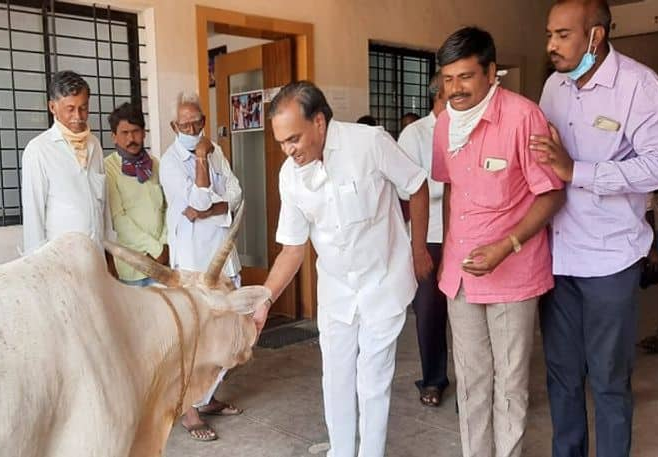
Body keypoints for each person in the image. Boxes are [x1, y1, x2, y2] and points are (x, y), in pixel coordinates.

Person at [255, 80, 432, 457]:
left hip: (383, 282)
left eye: (294, 139)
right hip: (336, 290)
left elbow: (416, 185)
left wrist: (418, 249)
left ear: (319, 122)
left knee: (372, 381)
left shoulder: (368, 143)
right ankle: (341, 450)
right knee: (335, 378)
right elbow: (292, 248)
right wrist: (266, 298)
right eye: (281, 142)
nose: (288, 151)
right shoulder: (290, 175)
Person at [532, 1, 658, 455]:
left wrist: (579, 171)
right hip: (559, 257)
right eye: (550, 33)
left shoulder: (639, 87)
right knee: (562, 377)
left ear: (596, 36)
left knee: (609, 380)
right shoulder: (553, 87)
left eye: (563, 35)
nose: (551, 45)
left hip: (611, 258)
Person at [432, 27, 565, 457]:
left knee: (509, 382)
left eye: (466, 77)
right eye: (448, 79)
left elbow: (551, 194)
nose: (455, 89)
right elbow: (450, 187)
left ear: (492, 72)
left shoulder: (524, 117)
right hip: (462, 276)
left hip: (513, 274)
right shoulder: (444, 124)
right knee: (471, 381)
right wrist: (450, 251)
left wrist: (505, 246)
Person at [159, 92, 244, 442]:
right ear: (173, 126)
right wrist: (200, 162)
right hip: (194, 262)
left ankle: (205, 397)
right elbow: (194, 201)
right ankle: (188, 409)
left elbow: (236, 194)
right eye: (185, 124)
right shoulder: (168, 162)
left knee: (230, 332)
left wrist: (211, 208)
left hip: (224, 255)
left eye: (197, 122)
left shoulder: (216, 150)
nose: (192, 129)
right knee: (196, 336)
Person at [21, 70, 115, 271]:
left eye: (83, 108)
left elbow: (103, 206)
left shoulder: (94, 145)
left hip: (96, 258)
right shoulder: (38, 150)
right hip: (61, 265)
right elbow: (33, 216)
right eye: (70, 109)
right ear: (52, 107)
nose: (78, 117)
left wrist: (109, 255)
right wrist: (38, 269)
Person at [396, 72, 449, 407]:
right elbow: (406, 188)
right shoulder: (415, 134)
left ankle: (478, 383)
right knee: (429, 311)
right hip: (429, 234)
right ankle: (433, 378)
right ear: (437, 95)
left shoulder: (472, 128)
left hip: (469, 234)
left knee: (469, 313)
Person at [105, 102, 167, 287]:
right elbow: (119, 220)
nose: (131, 138)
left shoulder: (156, 165)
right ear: (114, 137)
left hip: (163, 263)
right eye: (124, 133)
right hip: (131, 267)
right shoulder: (108, 169)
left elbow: (168, 208)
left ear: (144, 133)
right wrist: (154, 249)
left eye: (136, 131)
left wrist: (165, 246)